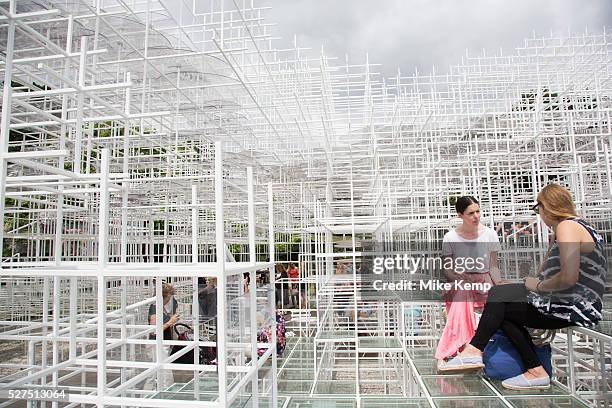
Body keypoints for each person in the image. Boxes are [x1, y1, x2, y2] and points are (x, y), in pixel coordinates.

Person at [442, 184, 607, 390]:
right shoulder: (575, 226)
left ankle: (479, 352)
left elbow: (568, 277)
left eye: (538, 209)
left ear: (547, 207)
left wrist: (537, 285)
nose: (539, 216)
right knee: (498, 295)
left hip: (572, 307)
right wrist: (526, 284)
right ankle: (485, 355)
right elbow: (550, 271)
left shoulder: (567, 227)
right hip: (570, 301)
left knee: (499, 306)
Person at [436, 196, 502, 369]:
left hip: (484, 281)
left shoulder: (490, 234)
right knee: (463, 292)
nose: (476, 216)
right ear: (460, 215)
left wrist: (500, 284)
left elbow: (493, 266)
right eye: (471, 213)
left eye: (478, 211)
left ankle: (471, 349)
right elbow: (447, 269)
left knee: (498, 299)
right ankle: (459, 348)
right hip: (462, 282)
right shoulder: (450, 237)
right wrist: (459, 278)